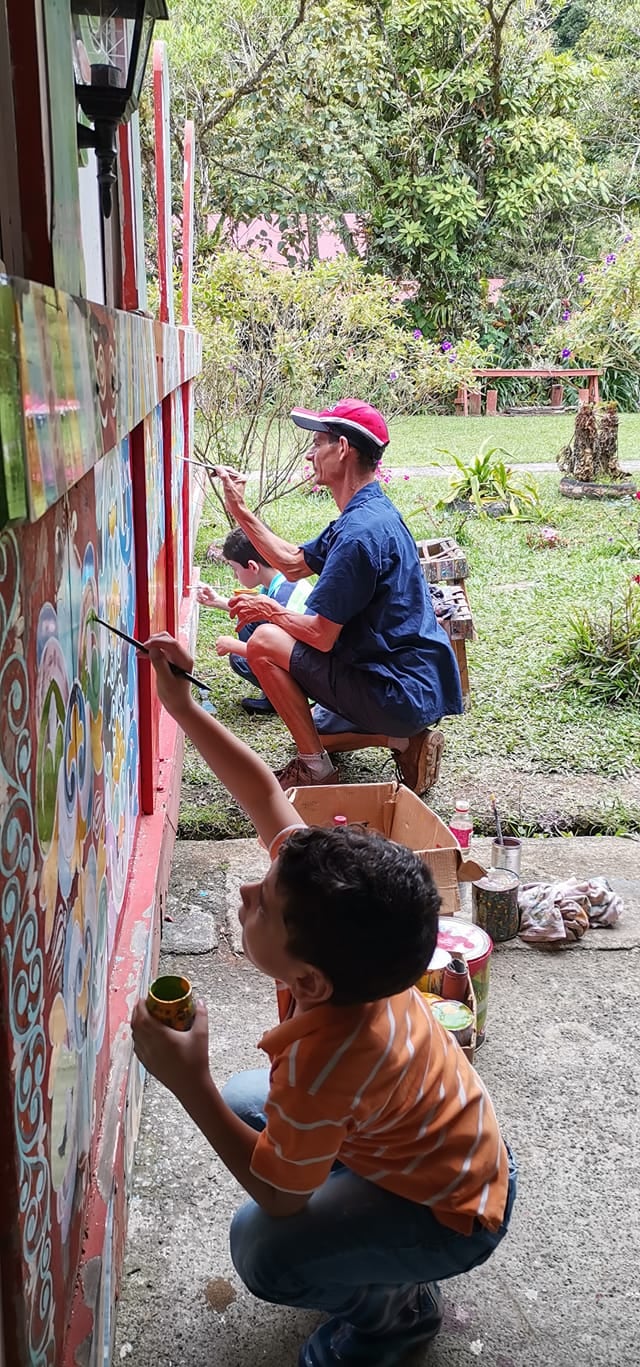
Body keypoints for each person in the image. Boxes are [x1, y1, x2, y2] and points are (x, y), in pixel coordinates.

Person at [132, 632, 516, 1367]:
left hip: (451, 1213)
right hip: (449, 1148)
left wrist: (187, 1080)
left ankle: (397, 1315)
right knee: (255, 1101)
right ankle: (365, 1216)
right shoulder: (347, 933)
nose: (248, 888)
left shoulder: (329, 1052)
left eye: (263, 906)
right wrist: (180, 705)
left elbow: (277, 1195)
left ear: (309, 982)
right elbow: (262, 793)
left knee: (263, 1247)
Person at [214, 398, 463, 792]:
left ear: (343, 449)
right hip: (409, 685)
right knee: (310, 714)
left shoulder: (359, 535)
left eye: (317, 444)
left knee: (263, 642)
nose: (311, 455)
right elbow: (293, 562)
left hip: (396, 692)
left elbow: (319, 634)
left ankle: (317, 766)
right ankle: (399, 740)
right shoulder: (369, 510)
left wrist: (270, 610)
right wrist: (240, 508)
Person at [196, 527, 312, 716]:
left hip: (308, 671)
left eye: (235, 569)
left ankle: (287, 698)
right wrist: (216, 600)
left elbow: (284, 652)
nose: (234, 575)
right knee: (250, 622)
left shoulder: (281, 599)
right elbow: (252, 610)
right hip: (303, 655)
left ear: (252, 566)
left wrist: (232, 645)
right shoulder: (281, 579)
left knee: (240, 659)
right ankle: (276, 692)